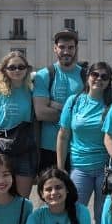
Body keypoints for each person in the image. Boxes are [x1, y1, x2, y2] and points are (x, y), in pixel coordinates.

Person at [56, 62, 112, 224]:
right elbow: (63, 136)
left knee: (103, 215)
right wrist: (60, 168)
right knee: (74, 211)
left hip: (105, 169)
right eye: (95, 74)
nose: (99, 79)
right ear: (87, 77)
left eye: (104, 76)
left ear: (109, 81)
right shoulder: (73, 102)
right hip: (79, 167)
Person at [0, 51, 36, 198]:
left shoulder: (32, 92)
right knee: (0, 196)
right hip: (0, 147)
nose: (17, 70)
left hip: (24, 147)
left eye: (20, 67)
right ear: (4, 70)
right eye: (12, 67)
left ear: (27, 69)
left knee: (23, 199)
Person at [34, 29, 86, 175]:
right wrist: (75, 114)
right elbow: (41, 113)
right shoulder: (44, 75)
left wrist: (55, 105)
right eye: (62, 47)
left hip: (77, 148)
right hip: (49, 148)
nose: (66, 51)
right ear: (55, 48)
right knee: (50, 195)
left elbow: (89, 111)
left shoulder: (85, 75)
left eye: (70, 47)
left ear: (76, 49)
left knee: (75, 196)